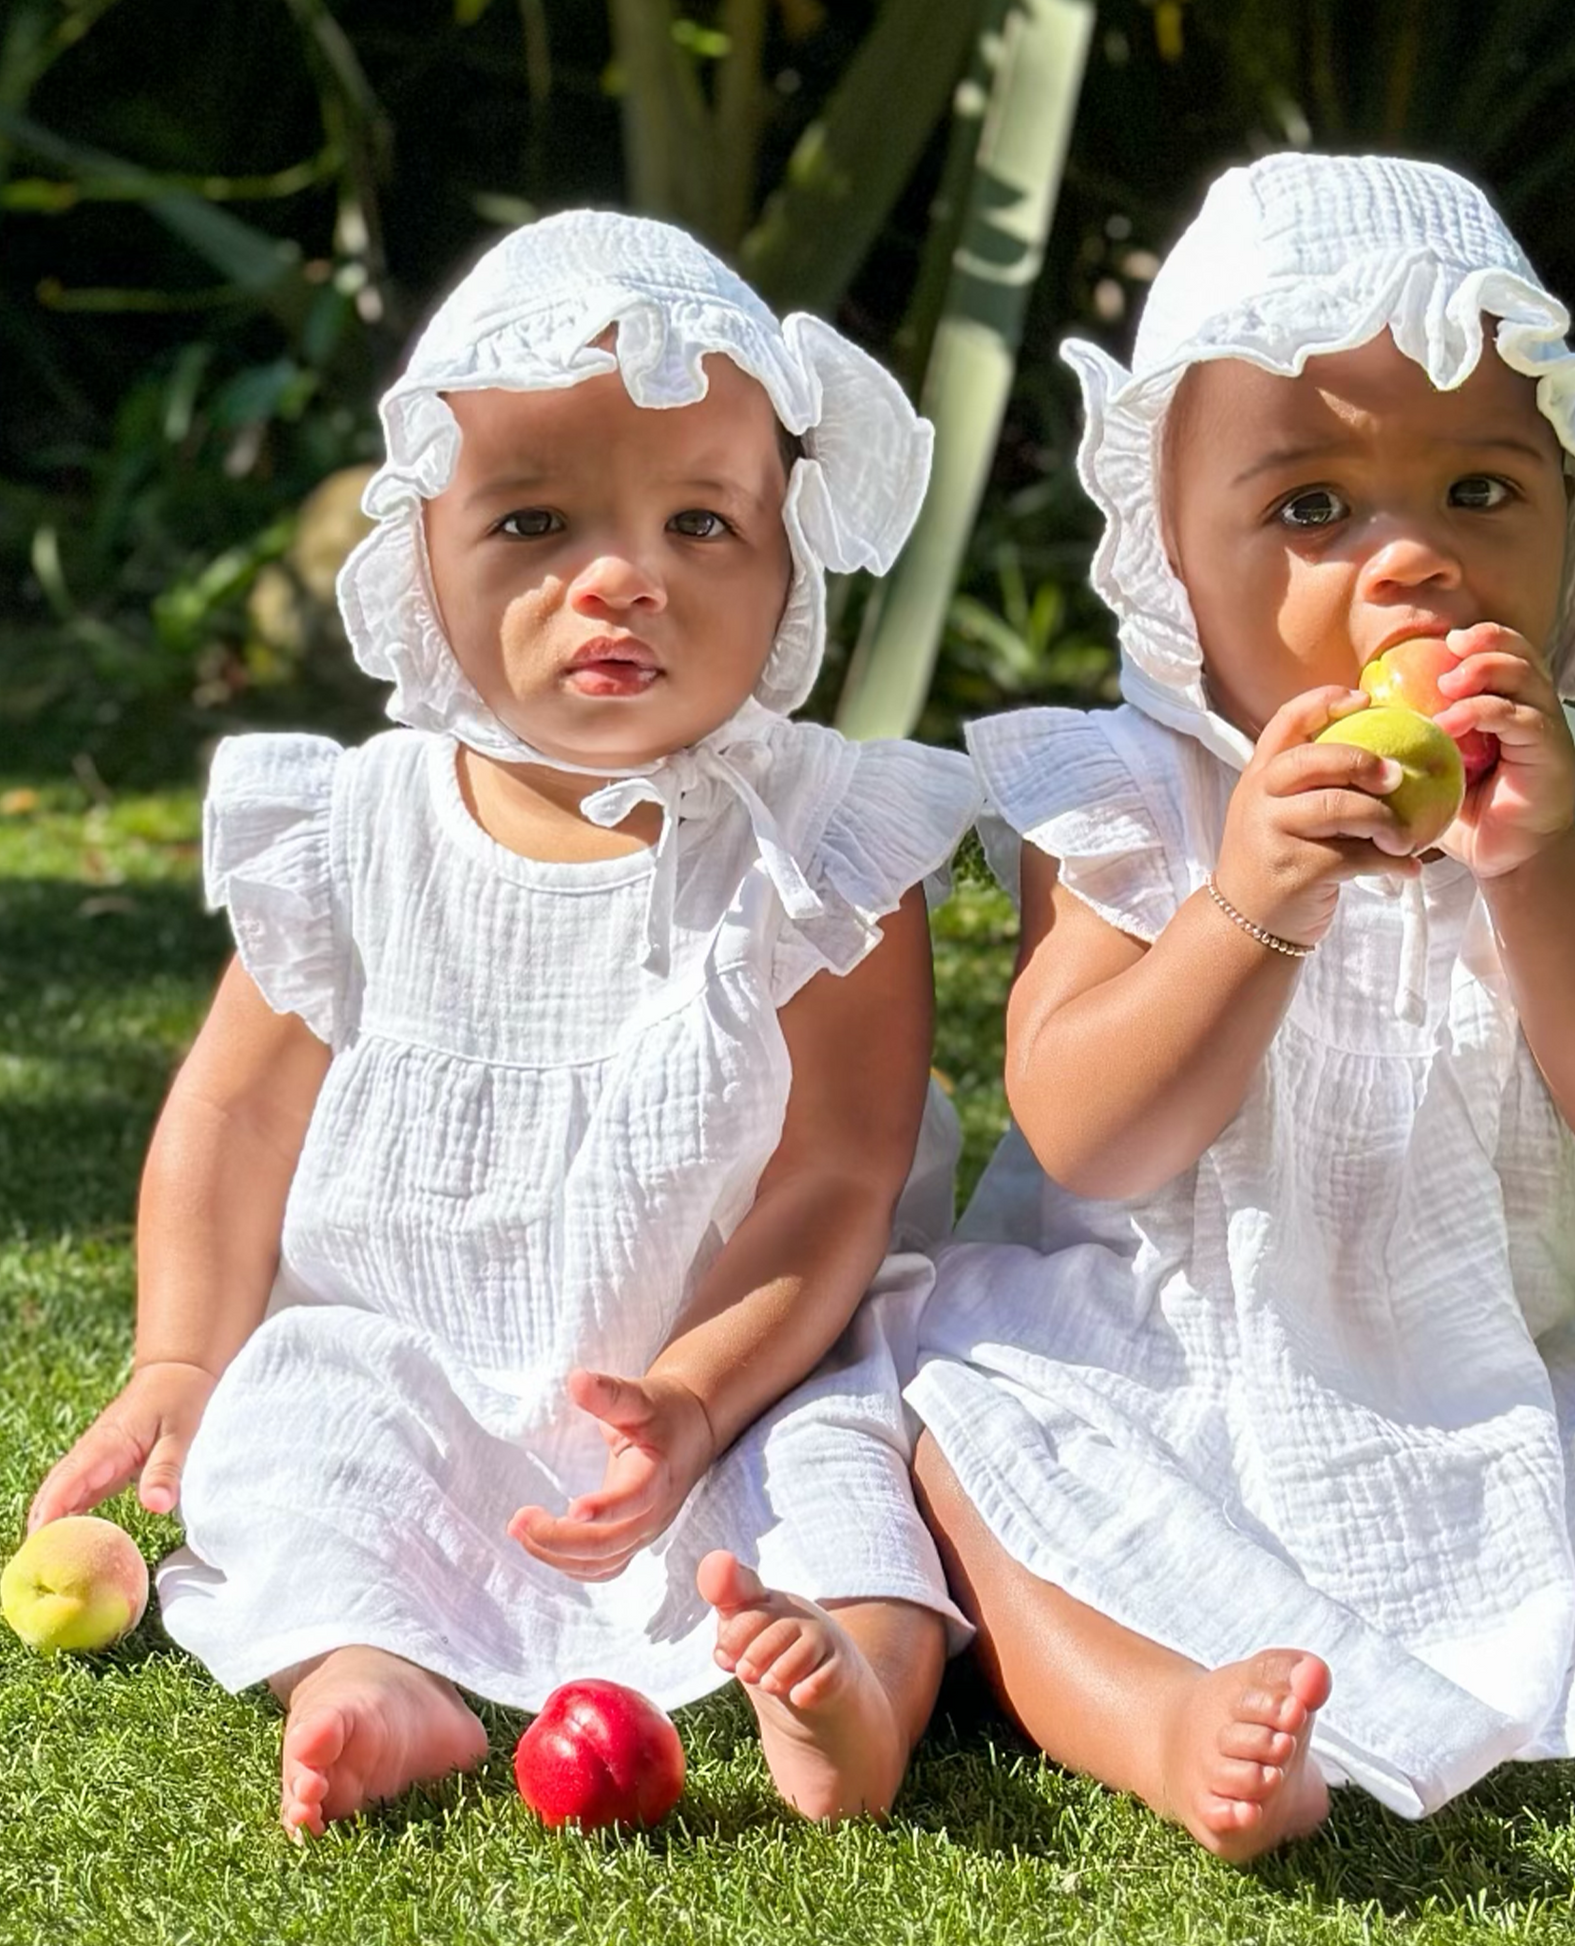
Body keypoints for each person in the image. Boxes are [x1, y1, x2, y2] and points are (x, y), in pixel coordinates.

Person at [906, 154, 1575, 1870]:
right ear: (1174, 554)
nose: (1412, 568)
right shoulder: (1125, 800)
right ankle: (1148, 1704)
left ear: (1572, 518)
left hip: (1532, 1357)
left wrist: (1536, 873)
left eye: (1476, 491)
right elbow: (1084, 1128)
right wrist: (1245, 906)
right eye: (1311, 510)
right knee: (970, 1435)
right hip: (1187, 1351)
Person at [26, 210, 981, 1839]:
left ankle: (855, 1686)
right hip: (425, 1349)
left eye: (701, 522)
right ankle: (361, 1675)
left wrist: (692, 1393)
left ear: (786, 564)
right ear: (425, 559)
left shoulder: (821, 846)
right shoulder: (360, 828)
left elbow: (839, 1168)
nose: (621, 577)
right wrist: (184, 1350)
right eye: (536, 520)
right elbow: (234, 1116)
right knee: (304, 1430)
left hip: (738, 1354)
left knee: (846, 1459)